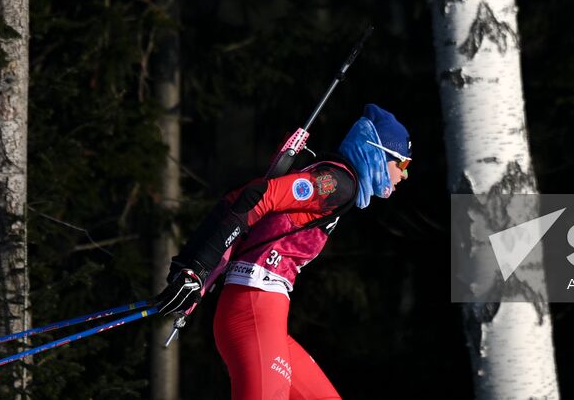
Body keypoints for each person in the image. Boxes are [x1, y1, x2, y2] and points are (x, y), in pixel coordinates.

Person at [154, 103, 411, 400]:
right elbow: (256, 197)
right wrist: (196, 267)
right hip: (255, 307)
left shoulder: (337, 181)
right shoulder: (338, 184)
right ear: (377, 154)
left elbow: (236, 199)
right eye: (402, 164)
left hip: (263, 312)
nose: (404, 176)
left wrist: (190, 267)